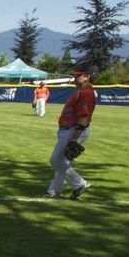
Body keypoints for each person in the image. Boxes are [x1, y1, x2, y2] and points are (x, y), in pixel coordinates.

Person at [43, 63, 96, 199]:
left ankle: (79, 184)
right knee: (62, 162)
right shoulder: (80, 92)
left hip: (74, 130)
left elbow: (84, 116)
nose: (74, 78)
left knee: (56, 160)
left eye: (77, 75)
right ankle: (54, 190)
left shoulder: (86, 93)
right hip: (68, 129)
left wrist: (74, 139)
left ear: (86, 77)